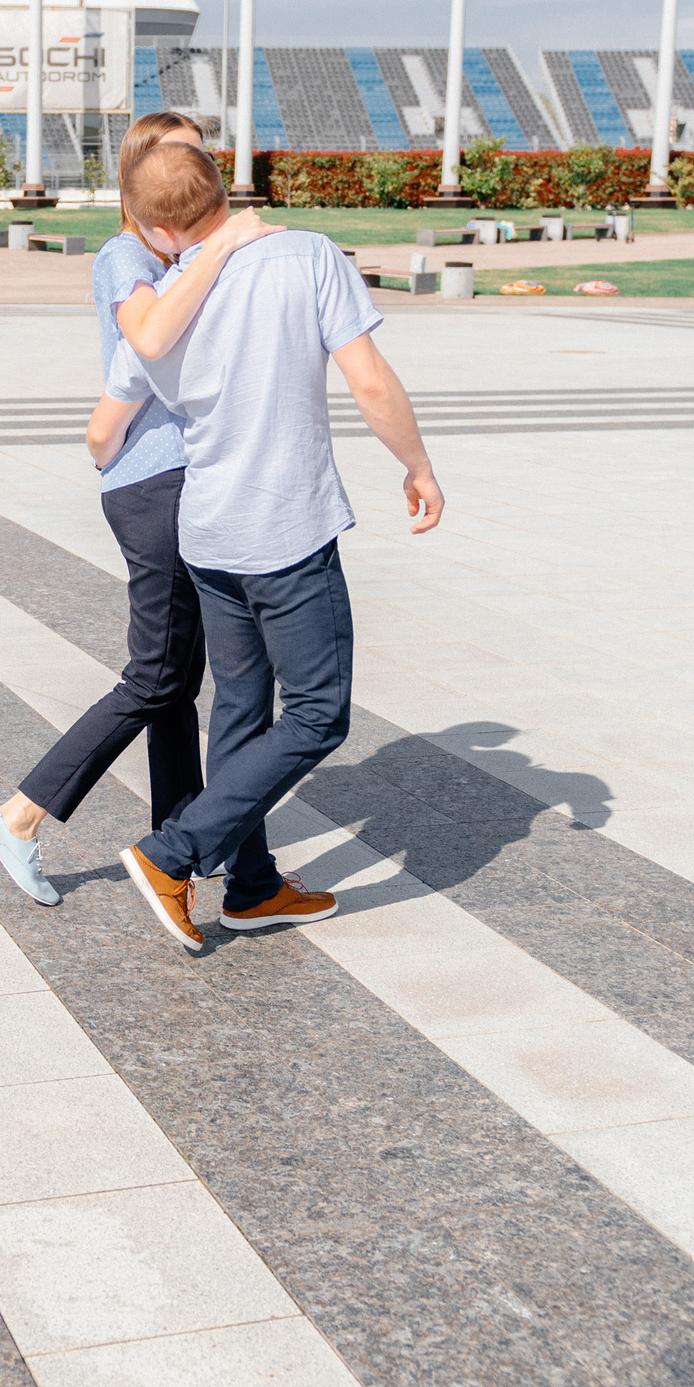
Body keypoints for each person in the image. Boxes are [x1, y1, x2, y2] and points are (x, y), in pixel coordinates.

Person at [97, 140, 443, 951]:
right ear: (225, 189)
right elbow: (368, 379)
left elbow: (105, 426)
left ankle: (251, 887)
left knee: (242, 710)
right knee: (318, 712)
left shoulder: (159, 303)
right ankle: (172, 852)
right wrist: (418, 465)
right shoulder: (307, 257)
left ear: (153, 227)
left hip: (208, 530)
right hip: (284, 527)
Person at [0, 113, 282, 905]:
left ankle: (179, 848)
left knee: (176, 683)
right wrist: (222, 248)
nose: (200, 174)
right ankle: (19, 816)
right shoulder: (126, 256)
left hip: (174, 480)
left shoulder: (172, 257)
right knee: (154, 675)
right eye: (185, 157)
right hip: (156, 485)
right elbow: (147, 339)